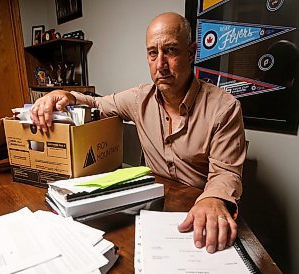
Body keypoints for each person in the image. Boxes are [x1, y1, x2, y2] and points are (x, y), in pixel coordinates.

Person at [30, 12, 246, 253]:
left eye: (171, 50)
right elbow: (98, 105)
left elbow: (226, 173)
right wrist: (65, 94)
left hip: (198, 211)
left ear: (191, 52)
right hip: (152, 207)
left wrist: (213, 199)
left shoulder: (224, 107)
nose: (160, 65)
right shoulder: (138, 98)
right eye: (153, 53)